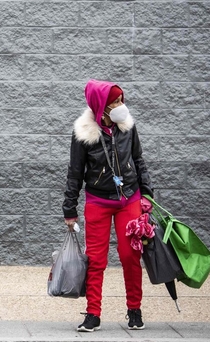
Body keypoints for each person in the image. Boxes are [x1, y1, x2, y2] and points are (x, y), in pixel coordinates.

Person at [62, 79, 154, 332]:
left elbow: (138, 159)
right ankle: (93, 313)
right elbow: (75, 172)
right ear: (100, 105)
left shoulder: (127, 126)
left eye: (121, 99)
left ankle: (134, 309)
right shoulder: (83, 133)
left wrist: (147, 194)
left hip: (129, 199)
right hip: (98, 201)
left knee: (130, 255)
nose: (121, 105)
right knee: (95, 259)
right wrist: (69, 209)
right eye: (115, 101)